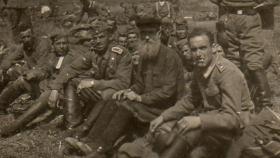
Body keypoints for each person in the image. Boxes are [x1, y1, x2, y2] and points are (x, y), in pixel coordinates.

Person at [118, 28, 254, 158]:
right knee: (166, 135)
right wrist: (164, 117)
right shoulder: (200, 68)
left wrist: (199, 121)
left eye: (203, 48)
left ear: (213, 48)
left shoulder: (227, 73)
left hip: (234, 131)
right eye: (194, 49)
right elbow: (191, 100)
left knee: (188, 138)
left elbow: (232, 118)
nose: (198, 54)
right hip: (212, 122)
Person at [63, 18, 185, 158]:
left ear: (158, 34)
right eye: (143, 33)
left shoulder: (170, 57)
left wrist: (139, 97)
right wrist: (128, 91)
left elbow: (168, 92)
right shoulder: (145, 54)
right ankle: (88, 141)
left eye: (150, 33)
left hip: (165, 108)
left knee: (127, 106)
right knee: (114, 98)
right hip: (148, 104)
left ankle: (100, 149)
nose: (146, 37)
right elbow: (140, 84)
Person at [47, 21, 132, 130]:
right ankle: (73, 124)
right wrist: (55, 89)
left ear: (110, 37)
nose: (98, 41)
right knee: (71, 82)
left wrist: (93, 83)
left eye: (101, 37)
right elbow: (72, 68)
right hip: (100, 91)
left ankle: (87, 128)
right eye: (95, 38)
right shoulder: (93, 53)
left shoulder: (121, 53)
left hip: (117, 93)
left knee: (107, 94)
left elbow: (123, 83)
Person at [0, 31, 82, 136]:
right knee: (22, 81)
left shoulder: (74, 56)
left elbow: (69, 76)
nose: (62, 47)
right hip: (48, 88)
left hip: (61, 94)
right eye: (59, 44)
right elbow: (44, 69)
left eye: (64, 43)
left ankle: (13, 127)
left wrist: (54, 88)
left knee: (43, 98)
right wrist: (34, 74)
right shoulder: (52, 56)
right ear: (53, 45)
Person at [210, 0, 279, 109]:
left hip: (249, 17)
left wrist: (263, 4)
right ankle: (234, 102)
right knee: (231, 62)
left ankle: (265, 106)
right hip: (227, 17)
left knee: (254, 61)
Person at [0, 26, 51, 101]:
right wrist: (1, 69)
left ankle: (2, 104)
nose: (26, 40)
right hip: (31, 74)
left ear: (33, 35)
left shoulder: (42, 44)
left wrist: (27, 73)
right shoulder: (24, 47)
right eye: (24, 37)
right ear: (21, 39)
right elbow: (10, 58)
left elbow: (42, 65)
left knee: (21, 80)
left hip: (44, 77)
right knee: (8, 73)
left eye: (28, 36)